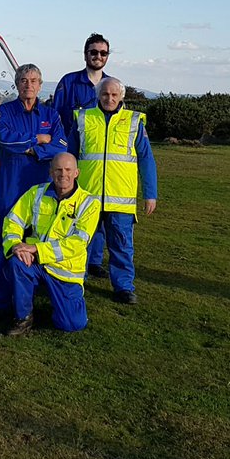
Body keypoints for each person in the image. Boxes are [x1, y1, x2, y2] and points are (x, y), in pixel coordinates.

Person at [68, 77, 158, 304]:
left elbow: (146, 160)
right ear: (98, 95)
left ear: (122, 97)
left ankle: (124, 287)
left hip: (121, 200)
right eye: (105, 94)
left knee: (121, 246)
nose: (109, 98)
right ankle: (75, 280)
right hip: (87, 197)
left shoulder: (134, 122)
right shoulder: (83, 119)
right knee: (80, 242)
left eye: (114, 95)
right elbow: (70, 156)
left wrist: (150, 194)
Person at [0, 63, 66, 321]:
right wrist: (38, 139)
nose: (28, 84)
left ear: (40, 85)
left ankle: (28, 301)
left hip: (40, 191)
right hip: (11, 188)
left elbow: (60, 146)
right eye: (23, 80)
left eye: (33, 80)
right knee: (5, 243)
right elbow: (6, 141)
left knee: (36, 244)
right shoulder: (3, 111)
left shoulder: (51, 115)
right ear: (17, 83)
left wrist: (36, 148)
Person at [2, 152, 100, 335]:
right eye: (58, 170)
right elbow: (13, 220)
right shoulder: (36, 192)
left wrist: (36, 249)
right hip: (35, 263)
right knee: (16, 262)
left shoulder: (89, 203)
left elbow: (77, 243)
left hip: (65, 271)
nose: (63, 174)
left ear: (77, 172)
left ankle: (61, 306)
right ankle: (23, 318)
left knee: (72, 325)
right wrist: (15, 245)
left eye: (68, 170)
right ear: (51, 172)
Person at [52, 33, 112, 278]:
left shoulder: (111, 85)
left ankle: (94, 260)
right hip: (70, 156)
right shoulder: (69, 82)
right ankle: (67, 254)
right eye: (93, 52)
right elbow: (55, 116)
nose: (98, 56)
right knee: (71, 207)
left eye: (103, 53)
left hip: (98, 161)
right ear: (85, 54)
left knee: (96, 208)